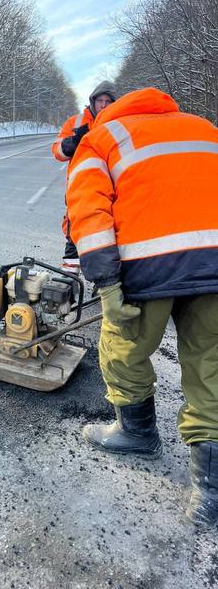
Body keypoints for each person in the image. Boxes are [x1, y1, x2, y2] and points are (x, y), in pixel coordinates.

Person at [65, 86, 218, 526]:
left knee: (123, 348)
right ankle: (211, 491)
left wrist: (107, 285)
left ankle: (137, 433)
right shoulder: (203, 128)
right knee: (211, 361)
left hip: (148, 268)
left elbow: (90, 216)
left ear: (108, 111)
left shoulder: (102, 138)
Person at [51, 81, 116, 272]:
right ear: (93, 101)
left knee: (109, 234)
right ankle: (69, 278)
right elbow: (57, 152)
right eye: (100, 101)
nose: (103, 105)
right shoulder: (76, 122)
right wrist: (74, 141)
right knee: (75, 234)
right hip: (80, 189)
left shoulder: (118, 122)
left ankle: (106, 277)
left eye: (108, 101)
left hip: (110, 188)